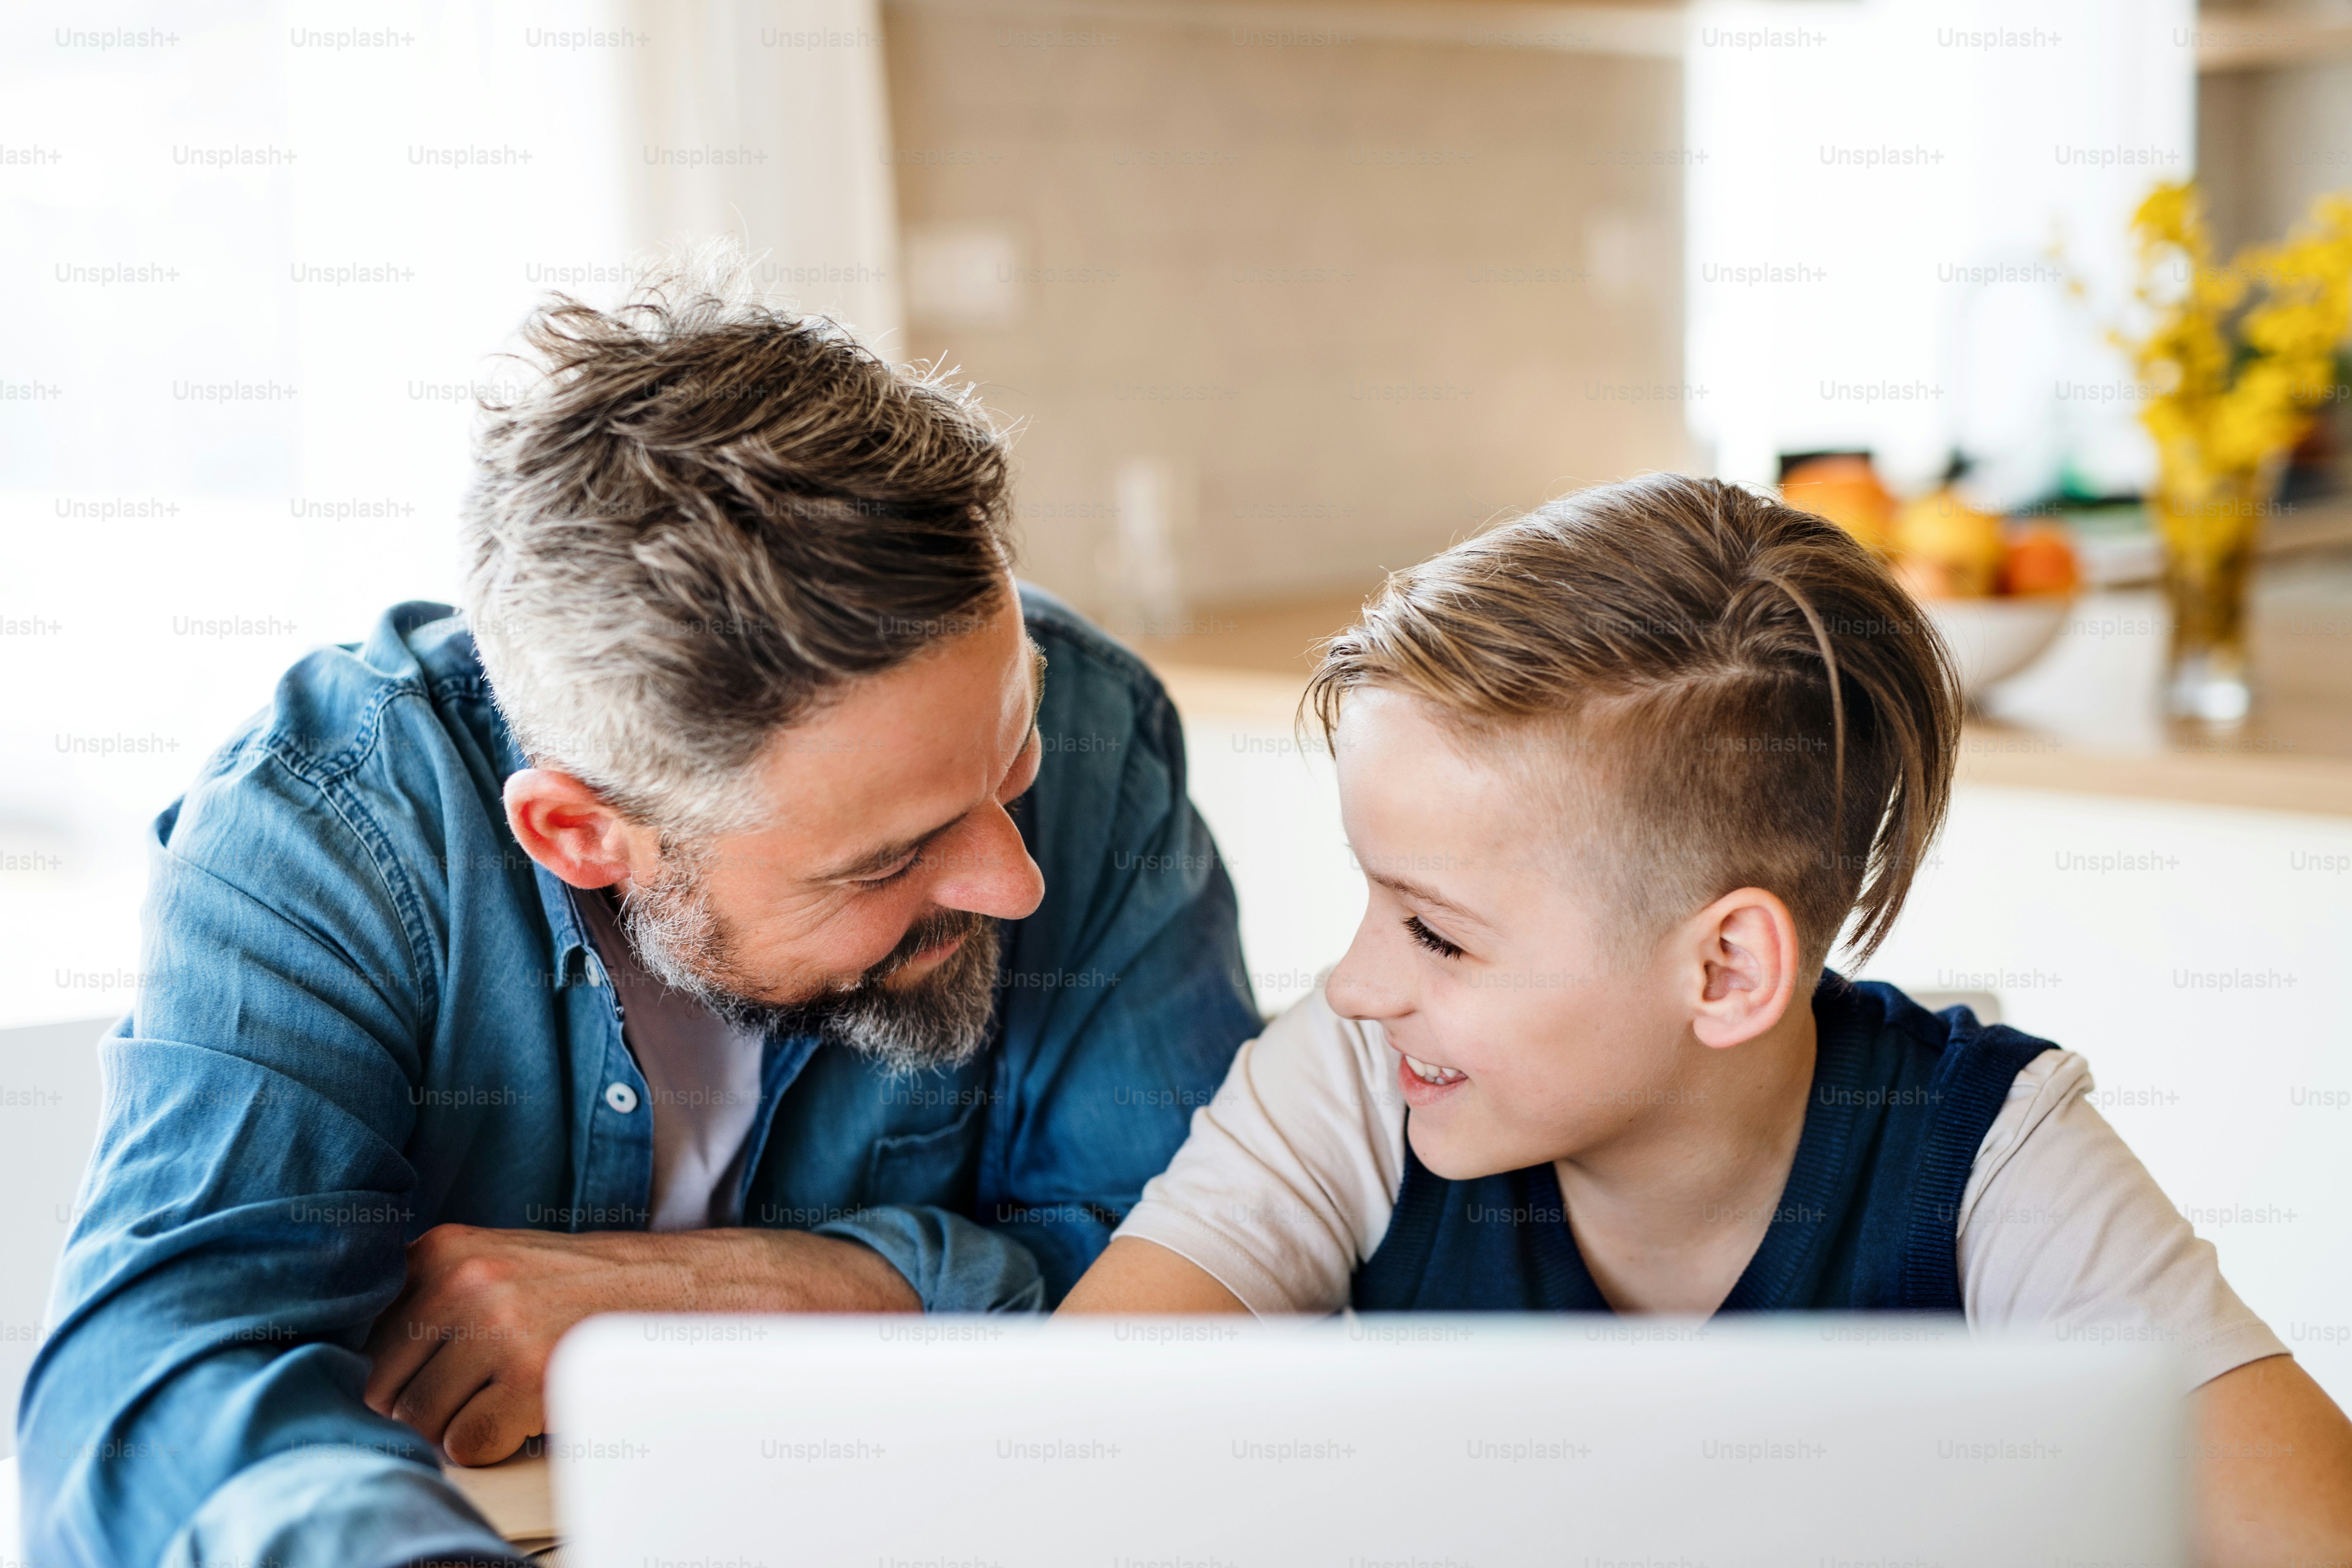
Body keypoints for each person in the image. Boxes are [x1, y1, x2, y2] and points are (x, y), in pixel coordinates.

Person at [19, 252, 1259, 1568]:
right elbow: (158, 1390)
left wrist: (758, 1296)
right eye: (890, 857)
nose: (1015, 881)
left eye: (1012, 763)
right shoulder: (331, 832)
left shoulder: (1096, 723)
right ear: (582, 834)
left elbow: (1218, 1265)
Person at [1061, 473, 2352, 1562]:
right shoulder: (1358, 1080)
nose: (1353, 985)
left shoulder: (1994, 1165)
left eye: (1438, 932)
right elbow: (1068, 1469)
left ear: (1727, 970)